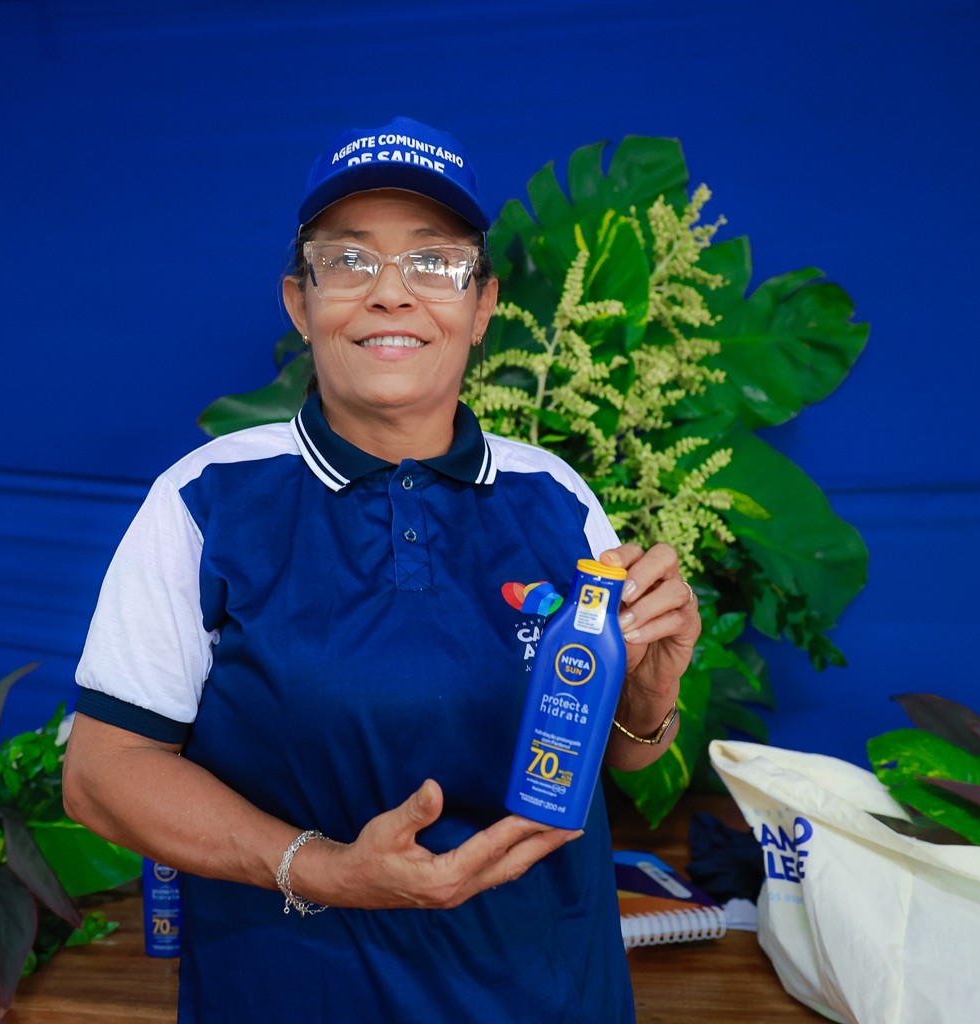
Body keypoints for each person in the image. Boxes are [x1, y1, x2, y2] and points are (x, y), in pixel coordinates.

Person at [63, 115, 701, 1023]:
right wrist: (324, 870)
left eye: (434, 262)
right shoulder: (206, 501)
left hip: (549, 991)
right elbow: (102, 773)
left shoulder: (556, 498)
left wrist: (649, 693)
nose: (391, 294)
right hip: (293, 994)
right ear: (300, 301)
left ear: (481, 305)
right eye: (350, 261)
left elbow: (620, 751)